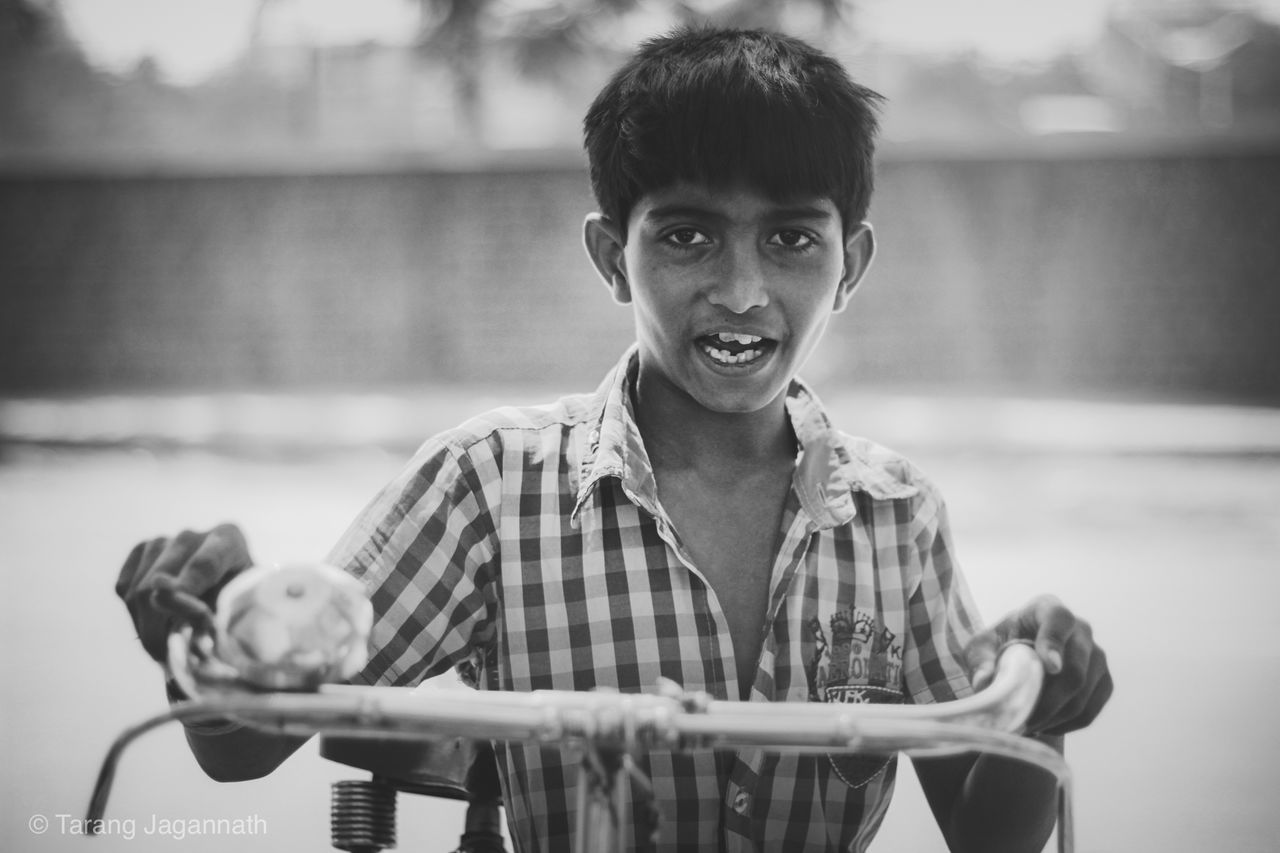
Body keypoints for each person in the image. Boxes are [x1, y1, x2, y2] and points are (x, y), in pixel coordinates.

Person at [115, 26, 1113, 853]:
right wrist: (220, 626)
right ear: (609, 254)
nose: (739, 290)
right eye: (685, 235)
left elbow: (987, 832)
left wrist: (1043, 703)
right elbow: (240, 748)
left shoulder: (896, 517)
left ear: (847, 263)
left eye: (789, 238)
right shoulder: (488, 486)